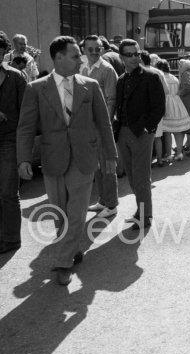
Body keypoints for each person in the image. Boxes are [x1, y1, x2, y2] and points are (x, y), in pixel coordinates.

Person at [17, 36, 117, 284]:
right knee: (59, 212)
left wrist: (111, 156)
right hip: (53, 159)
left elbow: (104, 123)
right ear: (58, 57)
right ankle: (71, 248)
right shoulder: (36, 88)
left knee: (77, 211)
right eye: (75, 55)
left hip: (84, 158)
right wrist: (23, 159)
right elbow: (26, 127)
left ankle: (63, 261)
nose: (80, 60)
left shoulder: (90, 85)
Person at [114, 39, 165, 230]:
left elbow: (159, 107)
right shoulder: (121, 79)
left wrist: (147, 128)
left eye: (136, 53)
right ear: (121, 57)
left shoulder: (151, 77)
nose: (134, 57)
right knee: (132, 176)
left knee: (141, 176)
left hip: (141, 133)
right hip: (123, 132)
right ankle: (139, 210)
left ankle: (145, 216)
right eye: (129, 54)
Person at [81, 35, 119, 218]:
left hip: (102, 124)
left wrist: (107, 124)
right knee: (97, 165)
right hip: (87, 124)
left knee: (107, 165)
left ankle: (111, 205)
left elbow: (112, 100)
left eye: (98, 48)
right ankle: (103, 200)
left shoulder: (107, 70)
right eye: (91, 49)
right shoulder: (82, 67)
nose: (95, 52)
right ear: (83, 50)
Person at [0, 31, 27, 254]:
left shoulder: (16, 77)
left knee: (8, 192)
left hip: (9, 140)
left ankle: (11, 239)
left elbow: (27, 113)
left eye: (0, 52)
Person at [156, 59, 190, 161]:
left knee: (167, 131)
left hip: (166, 104)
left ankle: (168, 154)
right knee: (178, 131)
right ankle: (179, 153)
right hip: (177, 103)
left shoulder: (161, 78)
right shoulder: (174, 78)